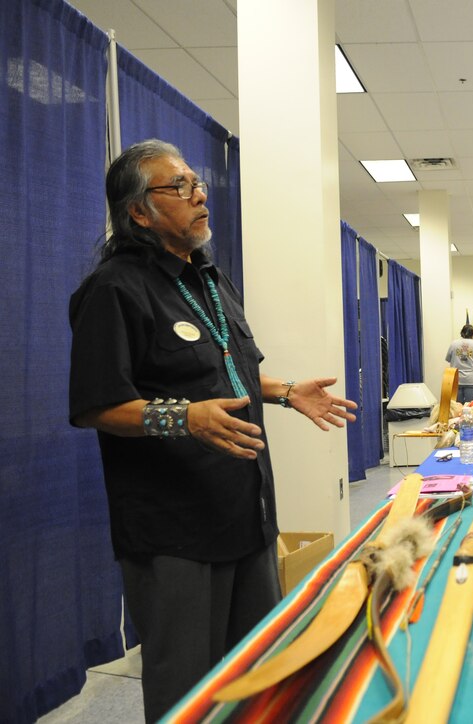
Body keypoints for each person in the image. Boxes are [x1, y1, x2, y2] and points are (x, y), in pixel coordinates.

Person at [68, 140, 358, 721]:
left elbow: (225, 368)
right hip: (175, 533)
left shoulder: (208, 278)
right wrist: (182, 417)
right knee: (188, 693)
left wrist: (280, 390)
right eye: (177, 186)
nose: (199, 194)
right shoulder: (114, 290)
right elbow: (96, 406)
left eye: (196, 182)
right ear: (139, 212)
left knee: (257, 673)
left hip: (245, 513)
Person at [446, 324, 473, 402]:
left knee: (457, 407)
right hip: (472, 379)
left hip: (456, 378)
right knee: (470, 406)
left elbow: (448, 359)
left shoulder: (454, 344)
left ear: (462, 333)